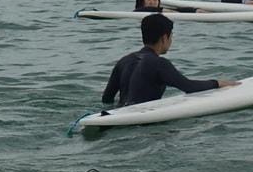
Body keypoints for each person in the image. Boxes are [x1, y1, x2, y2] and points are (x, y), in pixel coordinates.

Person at [100, 13, 237, 107]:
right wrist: (217, 83)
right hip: (140, 123)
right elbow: (189, 87)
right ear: (164, 38)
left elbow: (106, 99)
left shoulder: (124, 60)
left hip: (119, 113)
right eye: (171, 36)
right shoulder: (159, 63)